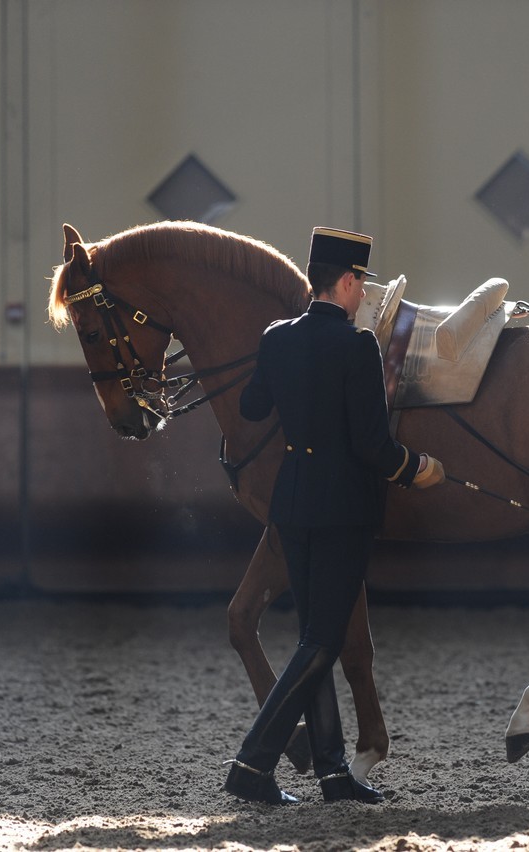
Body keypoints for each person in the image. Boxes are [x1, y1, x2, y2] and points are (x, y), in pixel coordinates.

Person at [224, 227, 444, 806]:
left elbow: (251, 407)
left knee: (310, 638)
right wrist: (417, 466)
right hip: (343, 509)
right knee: (322, 639)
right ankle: (252, 763)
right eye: (362, 284)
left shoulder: (277, 338)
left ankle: (331, 771)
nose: (363, 295)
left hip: (292, 505)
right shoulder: (357, 347)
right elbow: (374, 448)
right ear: (346, 281)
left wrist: (274, 356)